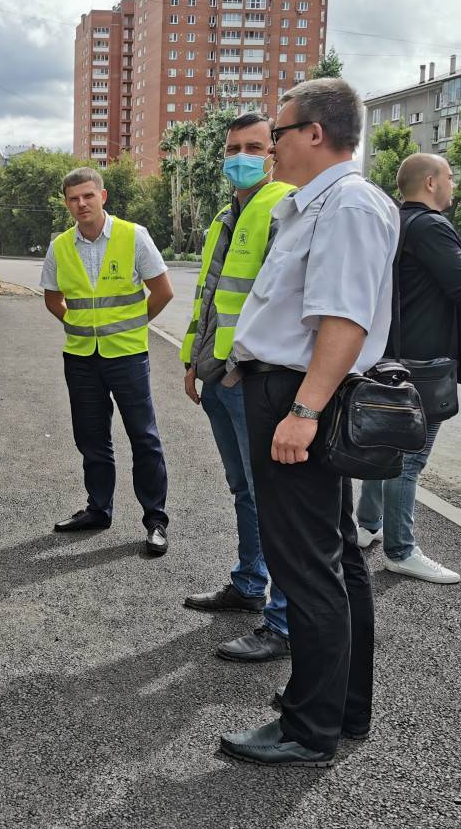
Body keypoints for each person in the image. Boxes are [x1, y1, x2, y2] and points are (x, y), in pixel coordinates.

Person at [218, 78, 397, 767]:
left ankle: (308, 726)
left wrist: (302, 411)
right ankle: (341, 708)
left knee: (307, 568)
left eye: (280, 132)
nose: (272, 146)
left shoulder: (347, 205)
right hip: (292, 393)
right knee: (337, 559)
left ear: (314, 133)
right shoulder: (317, 204)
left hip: (297, 398)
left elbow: (344, 320)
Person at [356, 154, 461, 583]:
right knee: (409, 458)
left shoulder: (391, 223)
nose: (453, 185)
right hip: (424, 363)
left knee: (385, 446)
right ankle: (401, 550)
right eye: (450, 178)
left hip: (389, 353)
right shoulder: (432, 226)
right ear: (432, 183)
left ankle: (366, 526)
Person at [181, 113, 295, 659]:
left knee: (275, 499)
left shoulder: (285, 207)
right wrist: (192, 361)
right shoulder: (225, 217)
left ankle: (284, 620)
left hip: (255, 379)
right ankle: (250, 586)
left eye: (253, 147)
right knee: (245, 491)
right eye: (233, 148)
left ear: (272, 152)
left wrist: (235, 368)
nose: (240, 157)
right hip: (218, 377)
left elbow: (283, 302)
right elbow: (208, 298)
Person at [41, 167, 174, 556]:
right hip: (81, 358)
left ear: (103, 196)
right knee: (91, 439)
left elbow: (162, 291)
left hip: (128, 355)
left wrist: (132, 326)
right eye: (73, 198)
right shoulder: (61, 246)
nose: (81, 204)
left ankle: (155, 520)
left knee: (143, 437)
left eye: (88, 196)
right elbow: (52, 298)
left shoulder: (134, 237)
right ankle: (98, 509)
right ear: (67, 204)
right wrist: (82, 324)